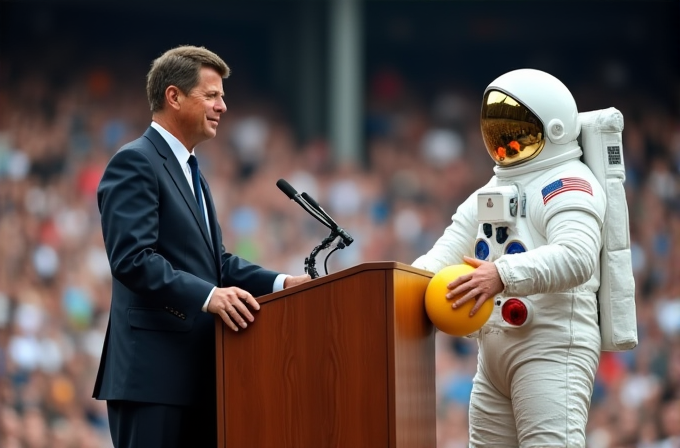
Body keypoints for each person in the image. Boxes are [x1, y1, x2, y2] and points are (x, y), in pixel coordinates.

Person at [92, 45, 310, 448]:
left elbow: (216, 264)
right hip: (151, 379)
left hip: (200, 378)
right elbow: (132, 259)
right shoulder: (135, 161)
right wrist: (209, 296)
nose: (223, 106)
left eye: (222, 96)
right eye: (211, 95)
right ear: (173, 97)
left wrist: (282, 284)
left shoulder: (194, 172)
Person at [413, 68, 615, 447]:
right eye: (497, 128)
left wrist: (501, 274)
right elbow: (442, 255)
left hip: (551, 346)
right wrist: (393, 284)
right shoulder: (495, 187)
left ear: (551, 128)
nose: (504, 139)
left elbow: (577, 256)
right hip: (492, 351)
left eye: (516, 128)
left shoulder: (569, 183)